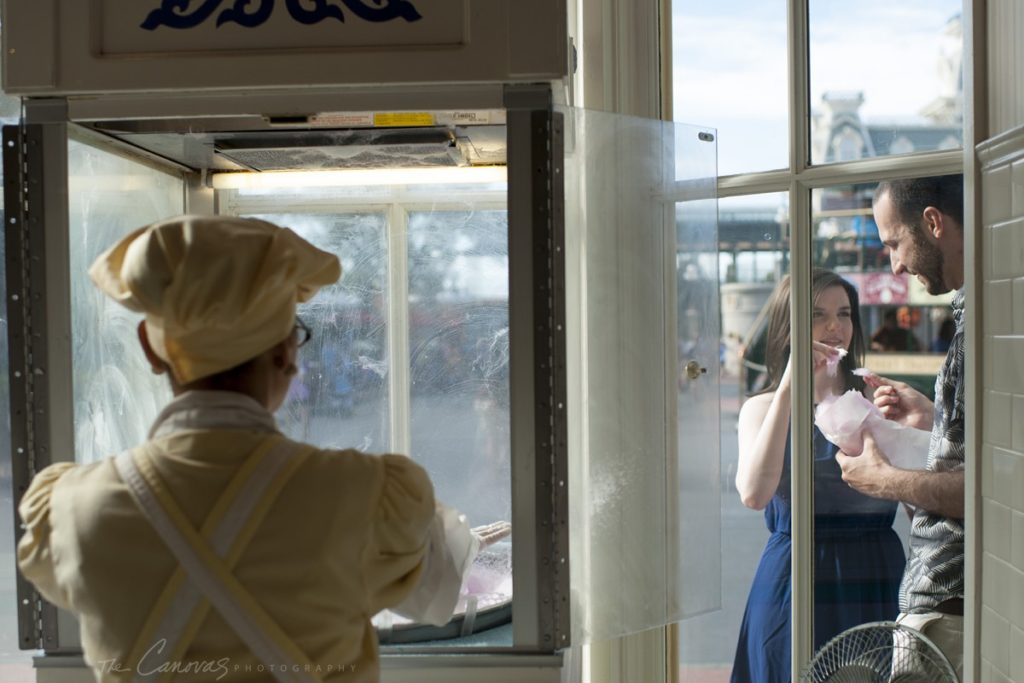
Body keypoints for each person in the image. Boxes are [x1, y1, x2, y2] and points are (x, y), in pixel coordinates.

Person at [16, 215, 509, 683]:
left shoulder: (67, 506)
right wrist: (454, 537)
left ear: (149, 346)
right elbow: (433, 590)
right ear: (287, 352)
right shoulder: (364, 495)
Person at [731, 269, 905, 683]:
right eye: (817, 314)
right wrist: (792, 384)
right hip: (794, 582)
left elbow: (920, 508)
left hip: (875, 575)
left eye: (844, 314)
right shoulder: (763, 408)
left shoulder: (879, 402)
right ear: (789, 325)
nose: (834, 327)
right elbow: (755, 494)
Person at [836, 173, 965, 678]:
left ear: (932, 222)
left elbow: (991, 488)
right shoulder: (974, 317)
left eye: (894, 242)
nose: (894, 264)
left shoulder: (981, 327)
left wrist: (882, 480)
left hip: (948, 611)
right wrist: (933, 422)